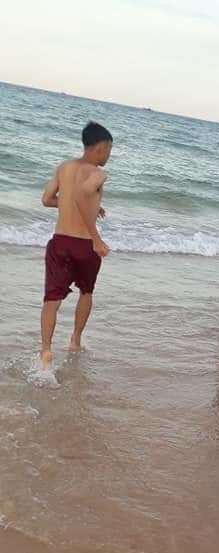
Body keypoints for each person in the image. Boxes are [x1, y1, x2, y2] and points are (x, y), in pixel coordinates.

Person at [39, 121, 113, 368]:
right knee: (86, 292)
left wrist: (89, 206)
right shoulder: (98, 173)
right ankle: (75, 339)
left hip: (60, 242)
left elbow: (47, 199)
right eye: (109, 150)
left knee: (51, 299)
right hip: (84, 245)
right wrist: (96, 237)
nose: (109, 155)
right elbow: (83, 194)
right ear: (100, 148)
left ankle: (46, 351)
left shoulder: (64, 167)